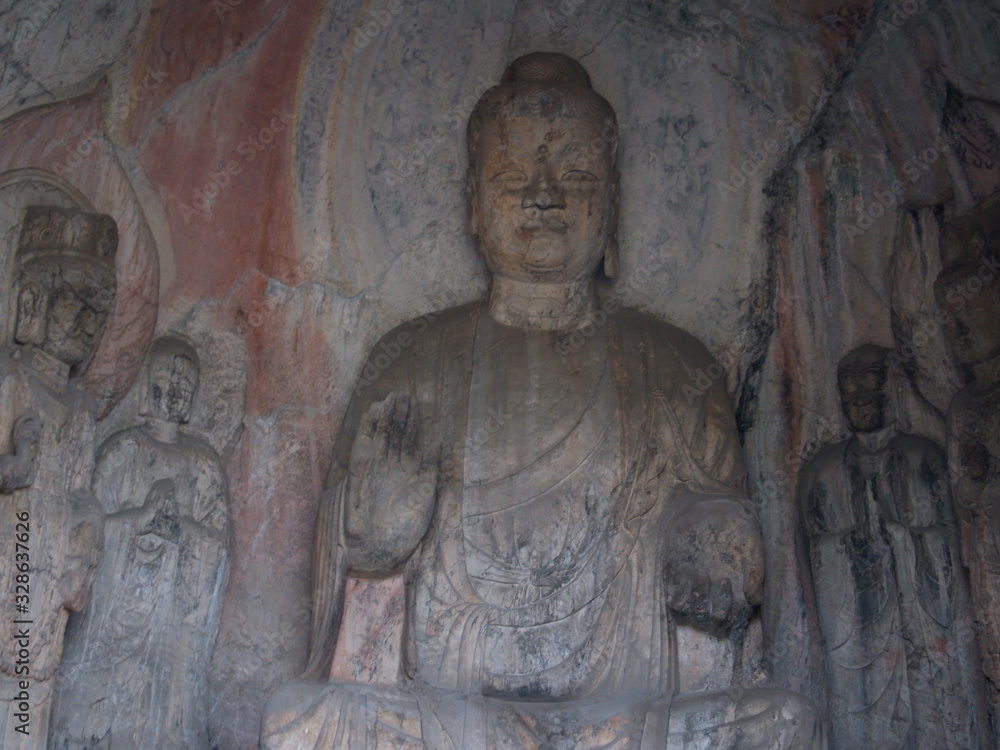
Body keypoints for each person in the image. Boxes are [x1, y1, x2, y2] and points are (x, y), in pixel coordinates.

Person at [262, 52, 822, 749]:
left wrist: (719, 551)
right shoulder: (408, 364)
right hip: (454, 718)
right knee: (305, 722)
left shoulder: (678, 369)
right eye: (509, 176)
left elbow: (726, 614)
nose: (544, 195)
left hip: (623, 722)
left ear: (612, 201)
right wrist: (375, 538)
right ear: (472, 200)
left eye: (578, 176)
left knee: (783, 725)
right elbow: (353, 650)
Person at [800, 344, 989, 749]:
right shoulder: (822, 473)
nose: (861, 400)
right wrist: (854, 547)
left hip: (922, 616)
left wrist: (905, 540)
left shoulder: (924, 457)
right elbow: (814, 555)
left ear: (893, 389)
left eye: (871, 385)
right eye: (849, 391)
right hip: (859, 628)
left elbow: (951, 543)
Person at [51, 336, 231, 749]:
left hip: (170, 619)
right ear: (149, 381)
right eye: (170, 375)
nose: (179, 388)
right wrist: (141, 518)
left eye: (188, 380)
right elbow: (89, 527)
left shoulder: (203, 463)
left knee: (169, 691)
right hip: (114, 614)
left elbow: (218, 549)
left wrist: (177, 526)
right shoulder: (123, 449)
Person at [0, 205, 115, 748]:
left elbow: (83, 493)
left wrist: (85, 546)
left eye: (99, 308)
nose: (89, 319)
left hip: (45, 571)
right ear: (33, 302)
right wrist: (15, 464)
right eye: (77, 300)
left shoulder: (81, 408)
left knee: (31, 685)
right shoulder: (8, 377)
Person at [935, 259, 1000, 739]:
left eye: (966, 314)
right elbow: (962, 496)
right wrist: (976, 482)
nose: (956, 332)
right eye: (948, 321)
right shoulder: (966, 405)